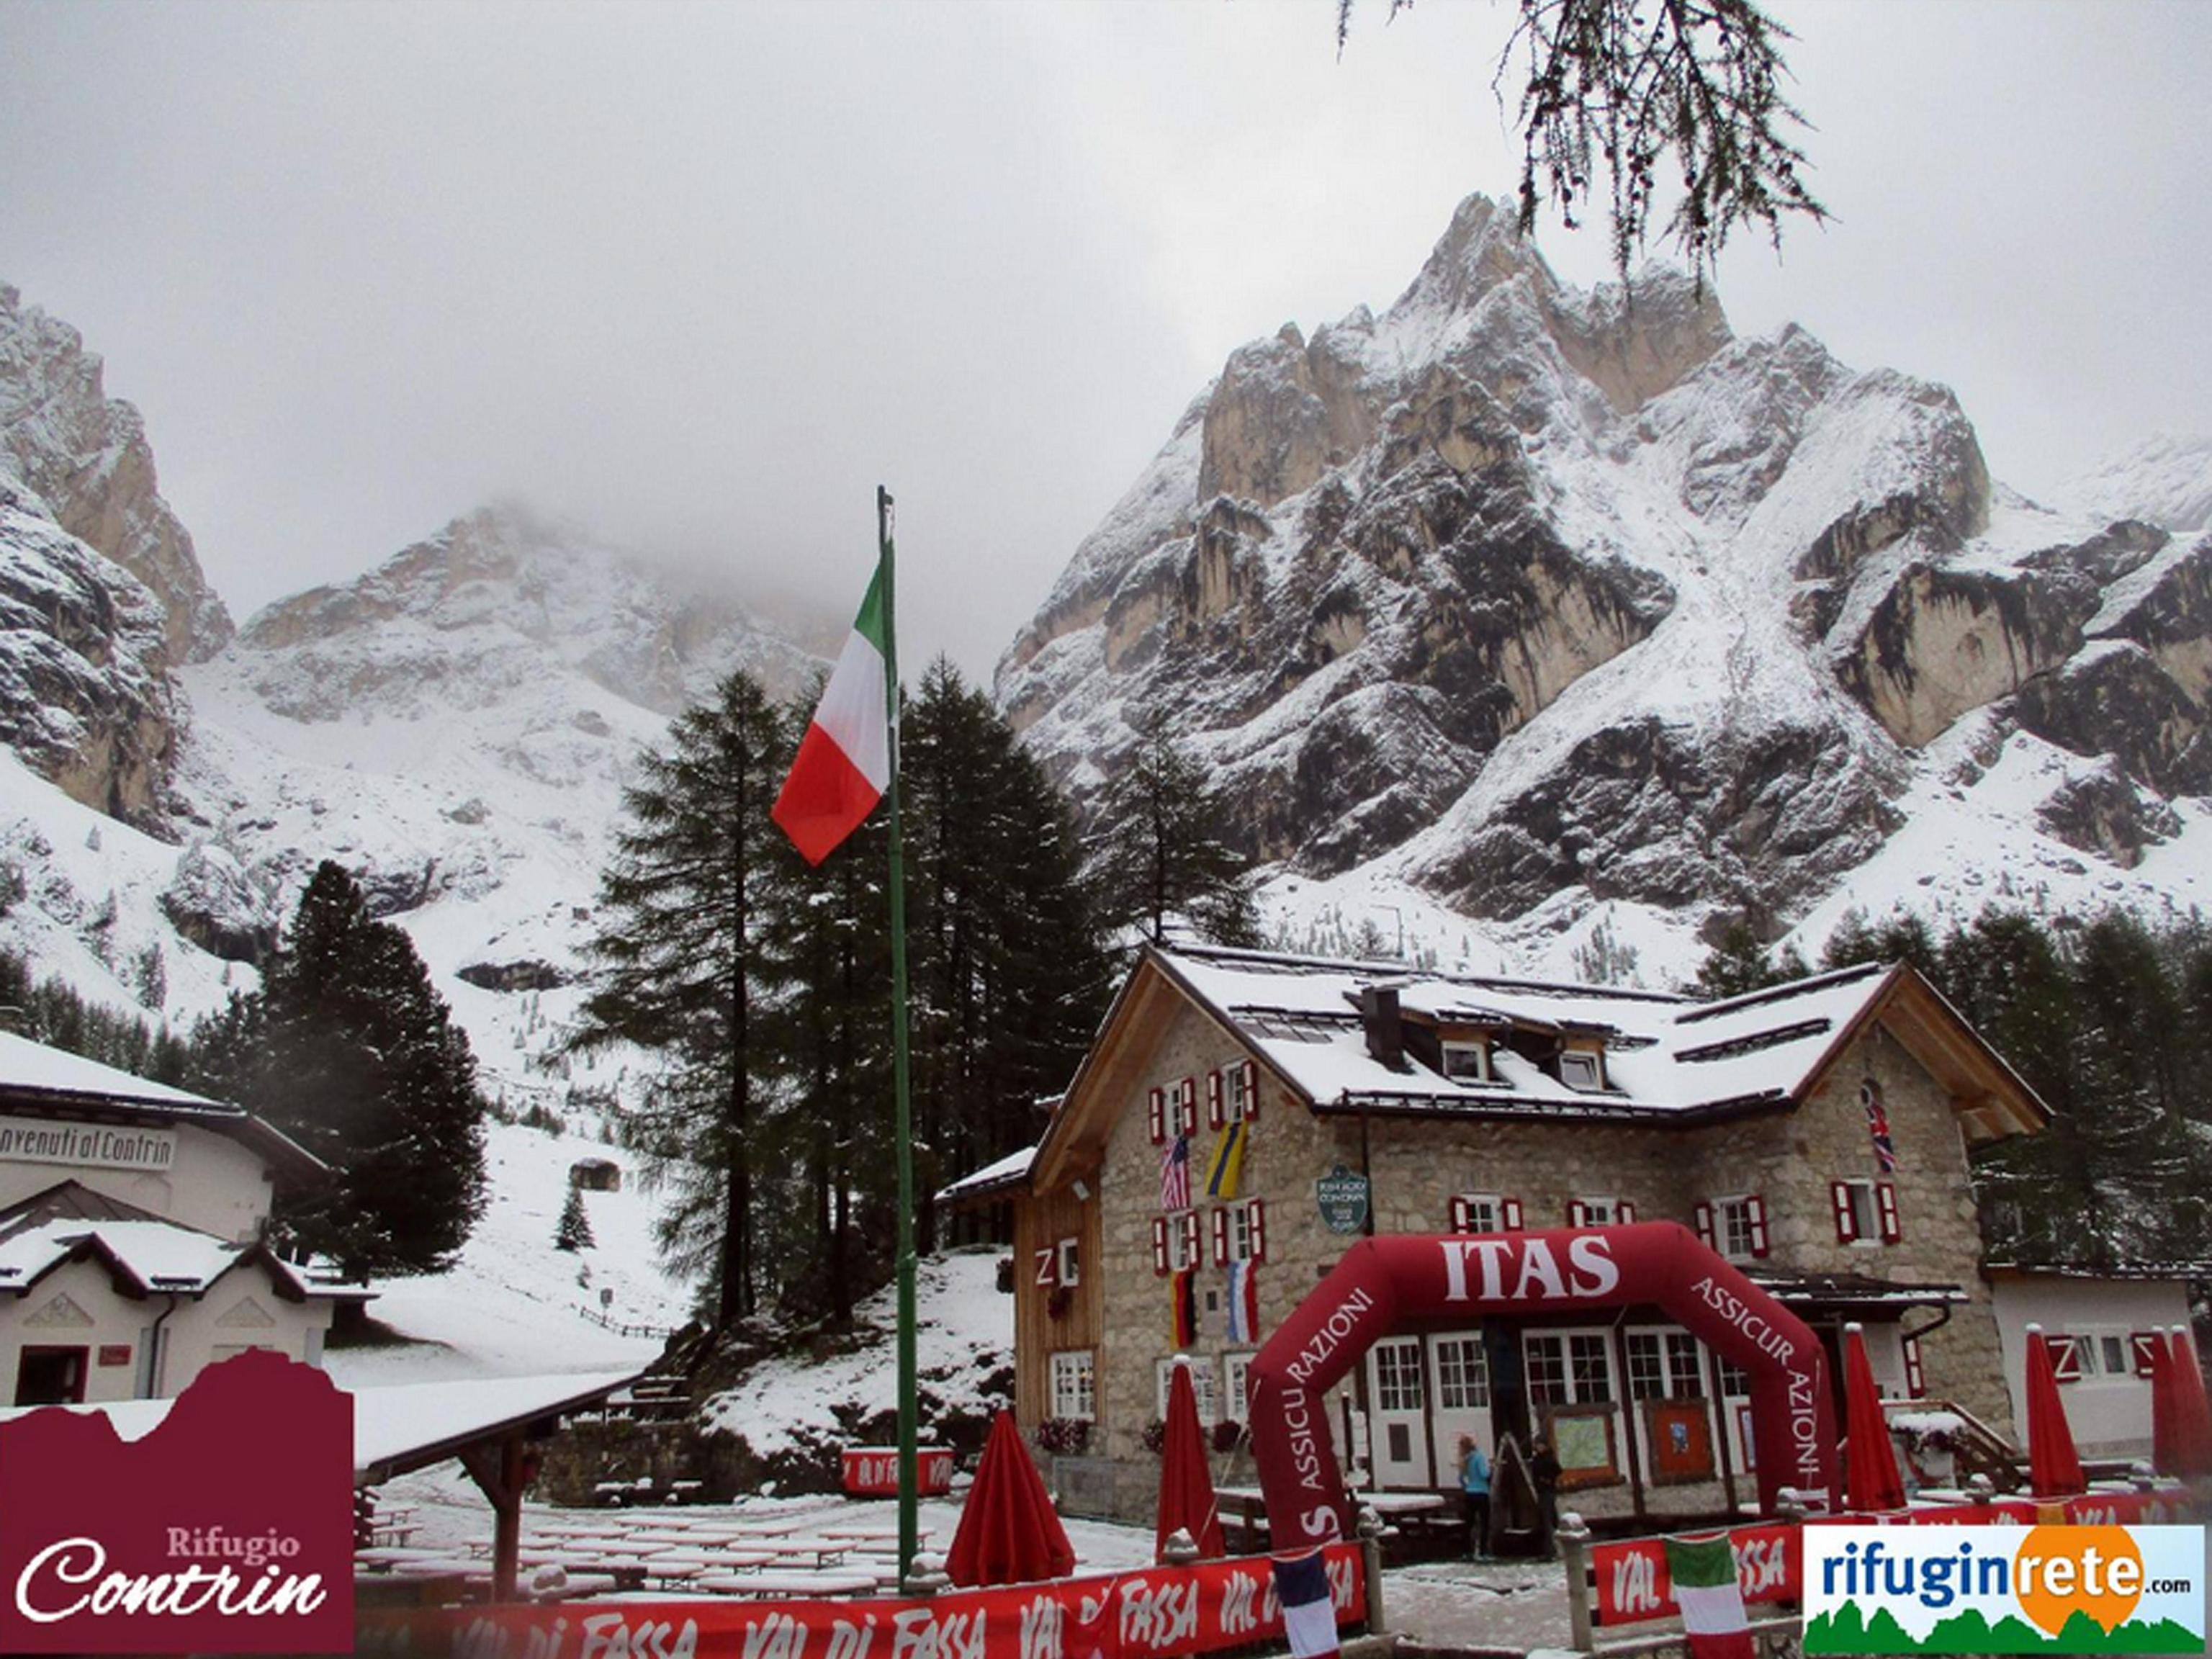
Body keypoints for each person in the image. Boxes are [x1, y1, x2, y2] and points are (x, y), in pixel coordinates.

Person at [1457, 1434, 1491, 1560]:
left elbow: (1461, 1479)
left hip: (1470, 1493)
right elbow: (1484, 1474)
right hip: (1482, 1493)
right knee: (1484, 1523)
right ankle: (1483, 1552)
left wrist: (1467, 1487)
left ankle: (1467, 1551)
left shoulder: (1464, 1459)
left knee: (1469, 1523)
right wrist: (1491, 1468)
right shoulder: (1479, 1456)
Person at [1529, 1435, 1562, 1558]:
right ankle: (1548, 1549)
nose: (1537, 1447)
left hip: (1547, 1491)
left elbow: (1557, 1470)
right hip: (1542, 1491)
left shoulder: (1548, 1458)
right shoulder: (1538, 1458)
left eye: (1538, 1444)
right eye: (1536, 1444)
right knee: (1548, 1519)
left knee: (1548, 1520)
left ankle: (1550, 1550)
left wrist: (1548, 1479)